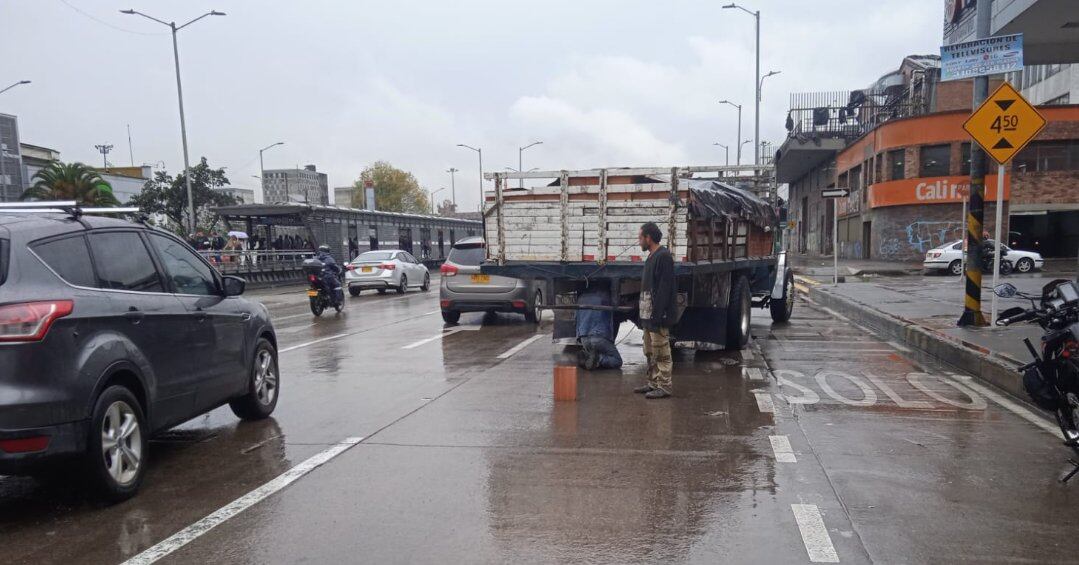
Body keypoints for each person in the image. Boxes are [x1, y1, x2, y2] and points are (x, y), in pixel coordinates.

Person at [634, 222, 676, 399]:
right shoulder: (651, 256)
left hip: (657, 316)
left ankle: (664, 386)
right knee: (650, 351)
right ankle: (653, 382)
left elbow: (664, 289)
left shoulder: (663, 256)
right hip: (647, 316)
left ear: (648, 238)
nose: (639, 241)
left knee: (662, 352)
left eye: (640, 238)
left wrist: (658, 316)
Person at [576, 286, 623, 370]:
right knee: (617, 361)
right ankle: (599, 359)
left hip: (584, 339)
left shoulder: (581, 298)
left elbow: (576, 320)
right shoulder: (606, 296)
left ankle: (589, 358)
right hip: (599, 338)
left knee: (593, 352)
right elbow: (616, 316)